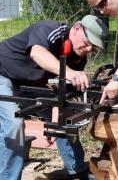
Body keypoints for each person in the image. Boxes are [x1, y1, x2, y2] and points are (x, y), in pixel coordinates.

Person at [0, 15, 108, 180]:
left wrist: (55, 121)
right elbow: (37, 53)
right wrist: (70, 73)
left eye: (93, 48)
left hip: (32, 85)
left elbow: (59, 89)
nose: (87, 49)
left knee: (64, 120)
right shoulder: (50, 29)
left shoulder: (78, 57)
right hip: (3, 73)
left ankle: (77, 171)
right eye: (87, 43)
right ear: (77, 28)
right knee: (14, 124)